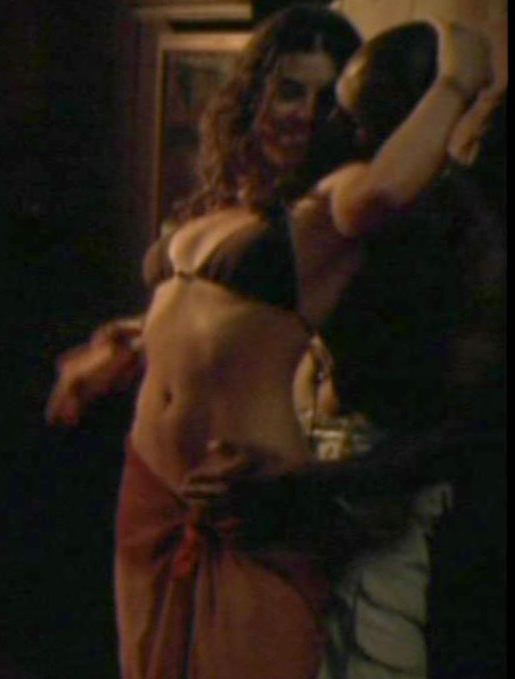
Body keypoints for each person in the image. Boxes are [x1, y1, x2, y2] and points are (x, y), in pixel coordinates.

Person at [49, 7, 492, 679]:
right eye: (288, 90)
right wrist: (128, 343)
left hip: (240, 502)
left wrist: (459, 79)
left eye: (324, 99)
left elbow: (387, 188)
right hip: (152, 486)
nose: (303, 115)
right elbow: (217, 318)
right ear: (253, 93)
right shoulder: (232, 199)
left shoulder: (338, 200)